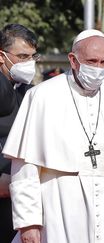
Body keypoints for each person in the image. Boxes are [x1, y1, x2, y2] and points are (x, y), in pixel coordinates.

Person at [3, 29, 104, 243]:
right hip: (59, 208)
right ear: (73, 60)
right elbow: (24, 169)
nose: (97, 68)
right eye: (92, 61)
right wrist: (28, 223)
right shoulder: (41, 96)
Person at [0, 23, 39, 243]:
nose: (29, 63)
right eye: (23, 56)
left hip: (18, 196)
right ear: (1, 56)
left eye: (33, 56)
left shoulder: (27, 90)